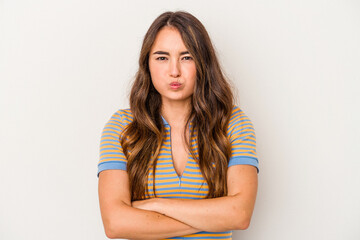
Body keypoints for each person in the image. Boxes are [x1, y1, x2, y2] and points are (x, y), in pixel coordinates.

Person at [97, 11, 259, 240]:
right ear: (147, 64)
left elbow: (240, 214)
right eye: (162, 57)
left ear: (203, 63)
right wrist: (213, 220)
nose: (175, 71)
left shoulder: (231, 122)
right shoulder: (123, 127)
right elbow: (116, 224)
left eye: (187, 57)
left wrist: (153, 205)